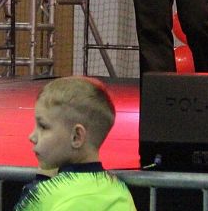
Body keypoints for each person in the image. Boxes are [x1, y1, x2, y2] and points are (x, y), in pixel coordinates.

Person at [15, 76, 136, 211]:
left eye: (43, 126)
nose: (32, 137)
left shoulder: (45, 195)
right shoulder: (121, 193)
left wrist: (40, 184)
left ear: (76, 136)